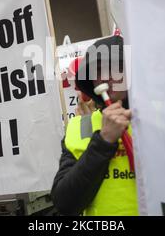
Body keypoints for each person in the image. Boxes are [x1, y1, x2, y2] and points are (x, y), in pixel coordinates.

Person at [51, 35, 138, 215]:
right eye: (98, 70)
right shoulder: (78, 127)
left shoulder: (161, 118)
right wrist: (103, 141)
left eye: (114, 67)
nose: (105, 77)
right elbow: (64, 204)